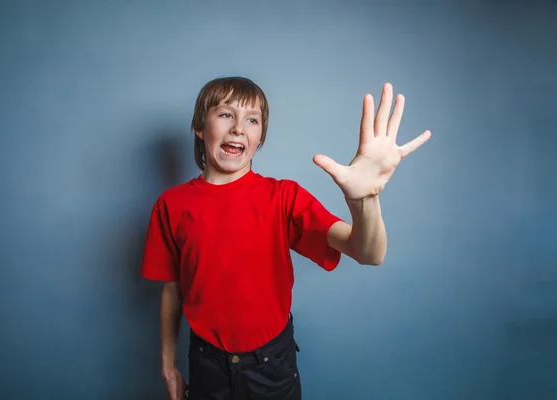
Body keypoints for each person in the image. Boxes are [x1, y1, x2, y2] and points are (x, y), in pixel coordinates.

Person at [141, 77, 431, 400]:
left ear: (260, 136)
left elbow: (368, 252)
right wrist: (168, 366)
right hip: (207, 365)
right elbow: (172, 289)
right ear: (199, 126)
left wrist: (366, 200)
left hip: (271, 367)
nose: (239, 128)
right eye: (226, 114)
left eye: (252, 119)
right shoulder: (171, 206)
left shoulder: (283, 197)